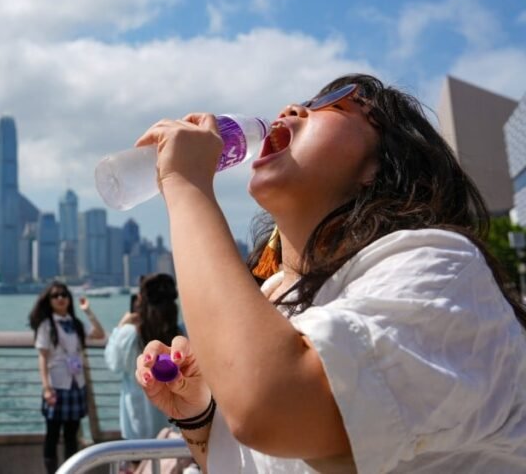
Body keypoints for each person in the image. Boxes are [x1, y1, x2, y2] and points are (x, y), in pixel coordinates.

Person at [133, 74, 526, 473]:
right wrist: (200, 415)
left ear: (380, 165)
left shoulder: (442, 269)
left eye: (334, 105)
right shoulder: (269, 300)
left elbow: (271, 409)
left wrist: (186, 184)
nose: (290, 109)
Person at [29, 282, 105, 474]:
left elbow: (100, 334)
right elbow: (42, 357)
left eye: (64, 295)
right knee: (52, 434)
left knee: (72, 435)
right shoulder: (46, 326)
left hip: (76, 384)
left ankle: (69, 471)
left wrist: (87, 311)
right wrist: (46, 388)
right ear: (49, 301)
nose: (60, 298)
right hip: (56, 384)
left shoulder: (76, 323)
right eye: (55, 296)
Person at [104, 273, 179, 443]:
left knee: (138, 463)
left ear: (140, 300)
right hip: (174, 420)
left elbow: (113, 363)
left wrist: (120, 326)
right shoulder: (180, 334)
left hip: (138, 417)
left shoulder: (130, 334)